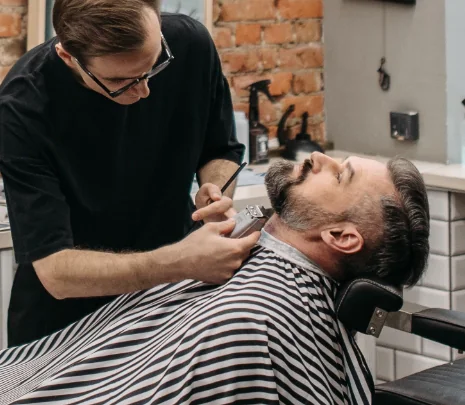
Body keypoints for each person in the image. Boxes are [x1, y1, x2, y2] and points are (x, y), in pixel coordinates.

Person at [0, 153, 430, 405]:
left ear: (341, 237)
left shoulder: (255, 320)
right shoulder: (244, 244)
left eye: (338, 175)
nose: (319, 157)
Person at [0, 0, 260, 347]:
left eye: (154, 65)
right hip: (69, 322)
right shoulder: (22, 109)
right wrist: (181, 262)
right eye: (121, 82)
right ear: (68, 57)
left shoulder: (190, 44)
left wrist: (215, 190)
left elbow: (219, 148)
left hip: (171, 300)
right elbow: (56, 271)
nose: (144, 91)